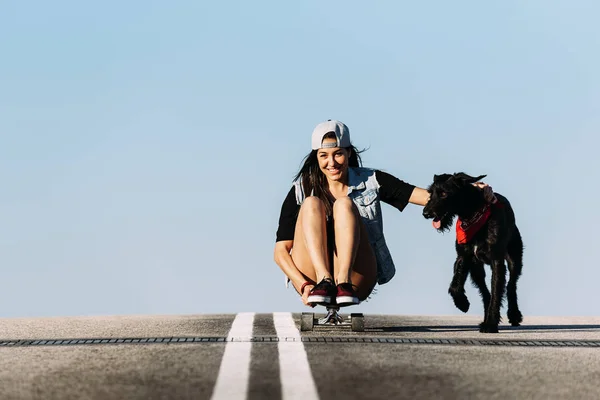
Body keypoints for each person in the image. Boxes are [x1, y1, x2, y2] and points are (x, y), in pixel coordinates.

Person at [273, 119, 493, 308]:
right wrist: (303, 284)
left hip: (356, 277)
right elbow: (281, 250)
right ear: (316, 157)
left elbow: (428, 197)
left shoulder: (372, 180)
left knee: (344, 205)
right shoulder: (300, 189)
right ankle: (324, 281)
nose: (331, 163)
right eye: (324, 156)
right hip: (311, 277)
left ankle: (342, 283)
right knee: (312, 203)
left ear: (348, 153)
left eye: (338, 154)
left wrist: (473, 190)